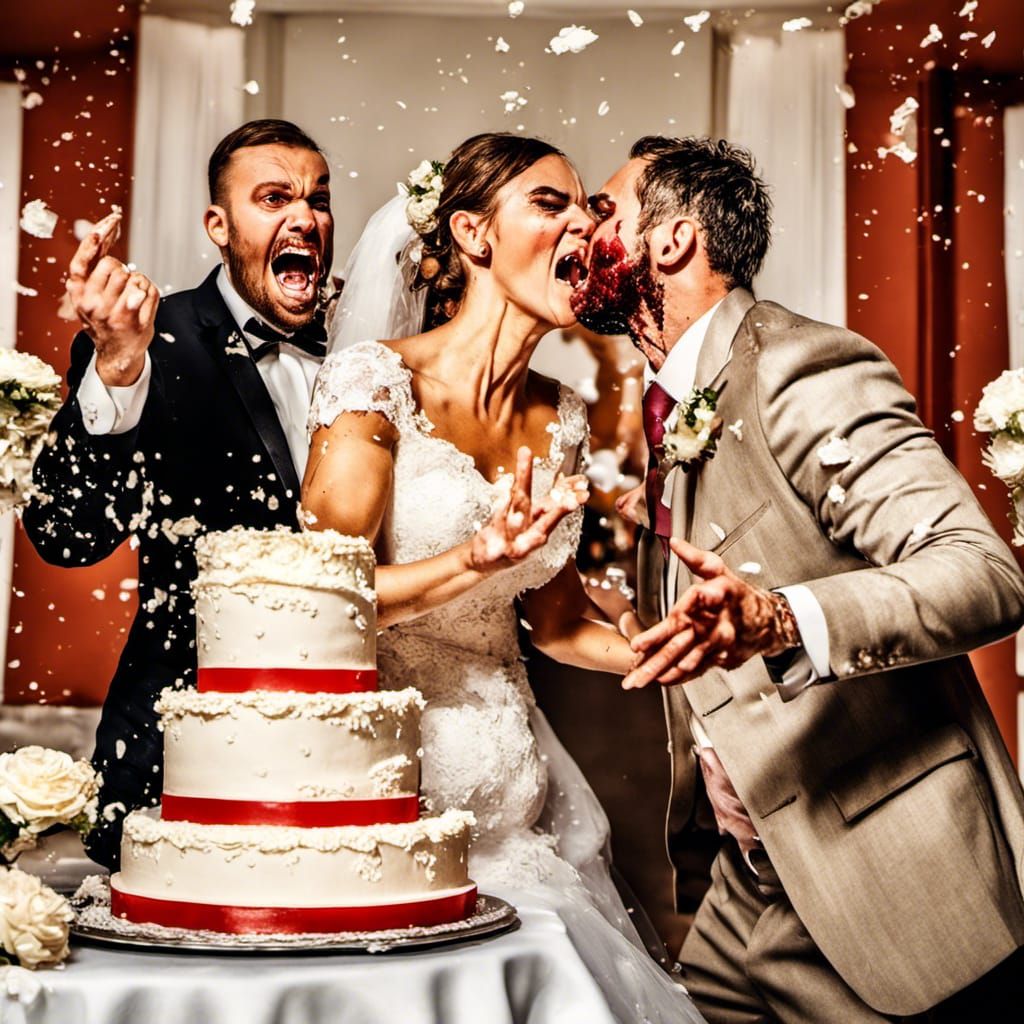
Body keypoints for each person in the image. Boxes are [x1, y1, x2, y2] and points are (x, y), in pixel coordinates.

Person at [570, 134, 1024, 1022]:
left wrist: (781, 619)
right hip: (748, 888)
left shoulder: (797, 366)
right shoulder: (672, 408)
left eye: (605, 210)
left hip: (888, 879)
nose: (585, 233)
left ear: (670, 242)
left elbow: (983, 573)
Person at [301, 132, 704, 1023]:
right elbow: (319, 601)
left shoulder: (562, 414)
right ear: (474, 236)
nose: (582, 228)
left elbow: (556, 626)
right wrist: (470, 560)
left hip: (513, 795)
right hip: (381, 796)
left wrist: (677, 641)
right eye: (549, 203)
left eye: (588, 209)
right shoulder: (373, 380)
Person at [23, 118, 334, 869]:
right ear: (218, 226)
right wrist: (120, 372)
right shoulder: (151, 340)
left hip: (342, 747)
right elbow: (66, 535)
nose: (306, 217)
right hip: (177, 745)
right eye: (274, 198)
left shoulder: (371, 346)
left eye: (319, 198)